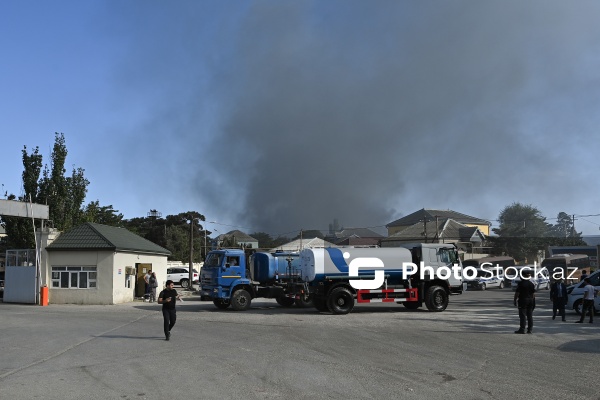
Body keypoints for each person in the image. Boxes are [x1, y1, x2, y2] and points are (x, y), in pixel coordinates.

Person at [514, 269, 536, 334]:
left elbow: (517, 293)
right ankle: (530, 329)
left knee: (523, 315)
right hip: (530, 300)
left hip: (523, 300)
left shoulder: (521, 284)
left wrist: (515, 300)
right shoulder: (531, 284)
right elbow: (533, 294)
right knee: (530, 315)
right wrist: (533, 301)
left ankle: (522, 329)